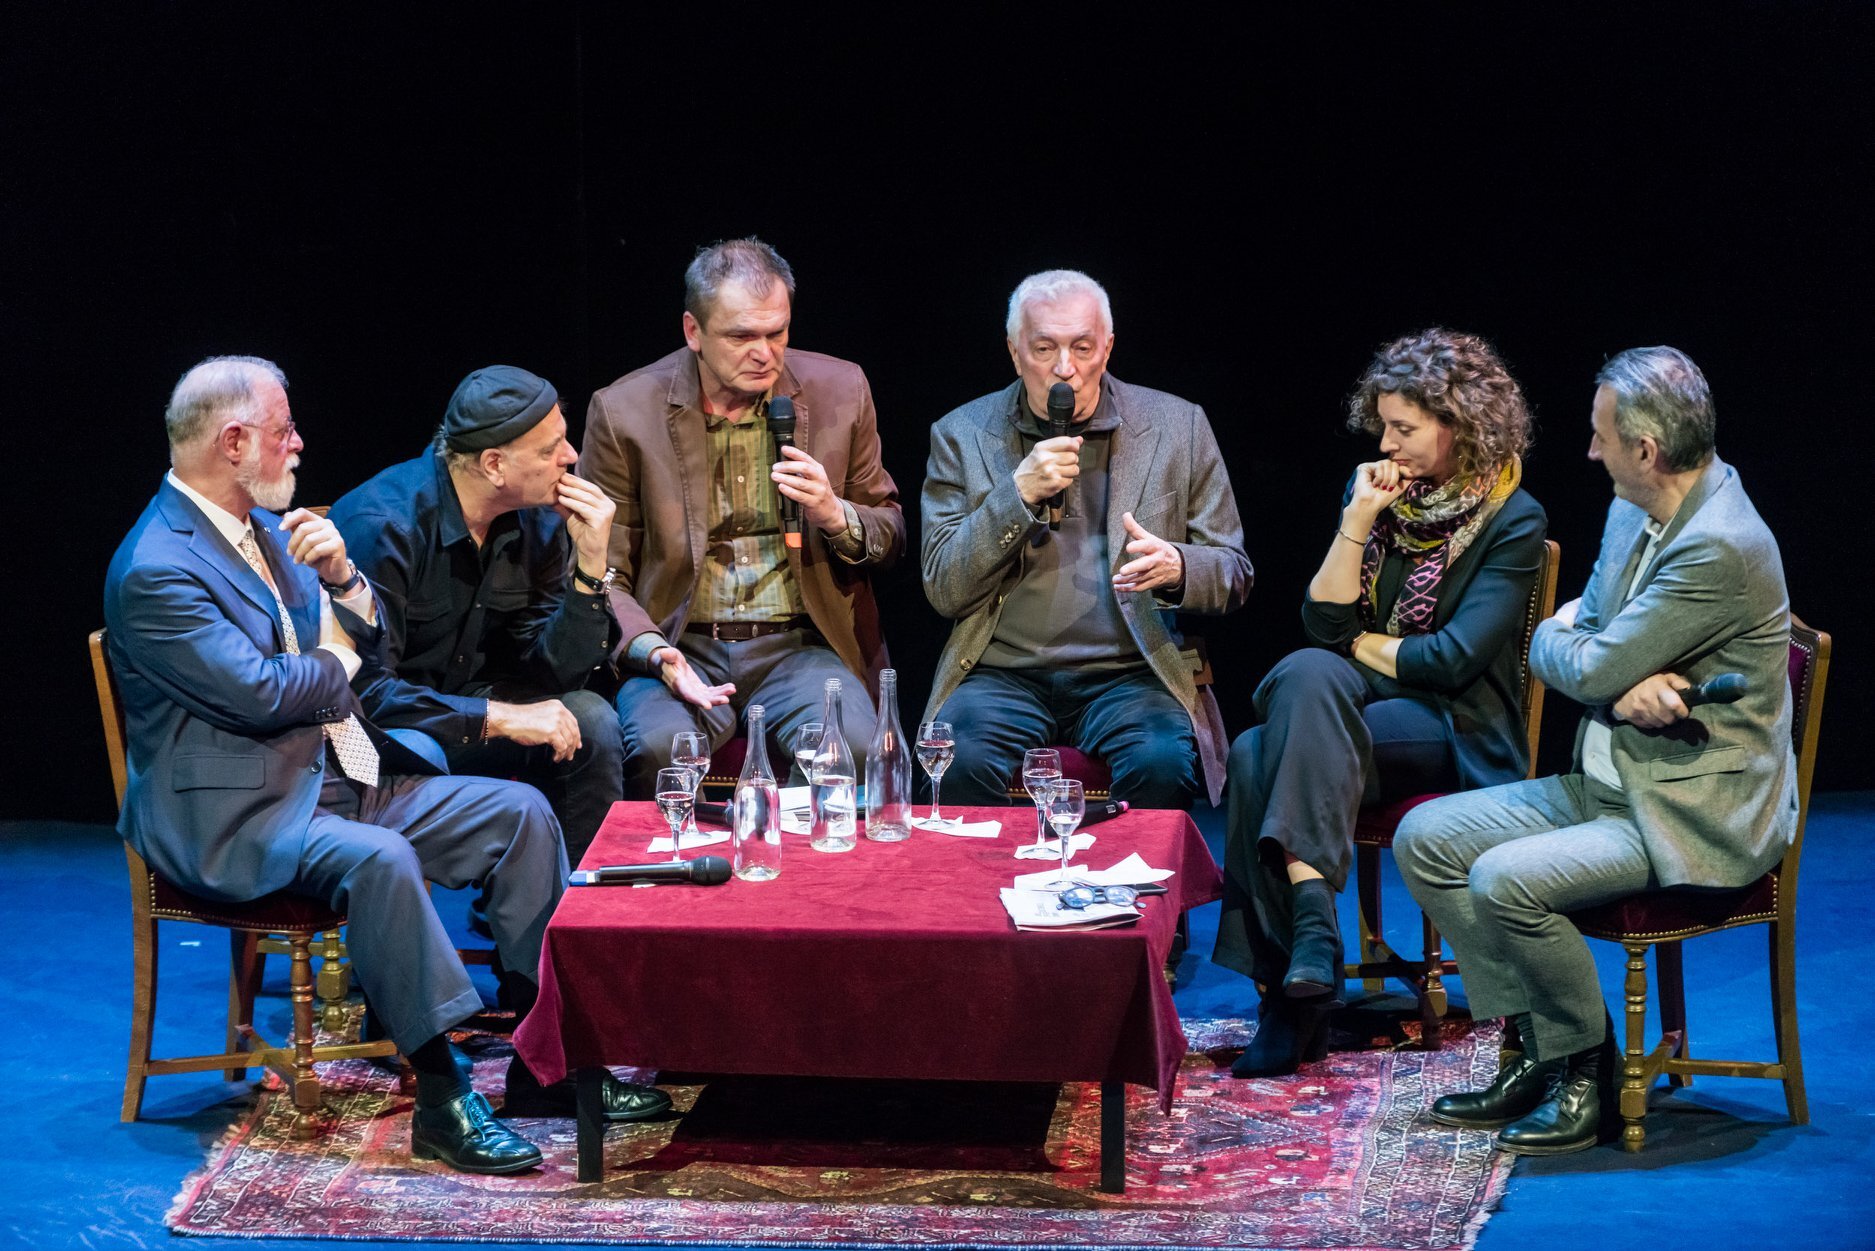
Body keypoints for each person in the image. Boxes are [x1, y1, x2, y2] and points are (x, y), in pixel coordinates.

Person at [104, 357, 670, 1176]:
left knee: (517, 816)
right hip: (236, 813)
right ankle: (443, 1097)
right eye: (282, 430)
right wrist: (336, 652)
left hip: (335, 777)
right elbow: (268, 693)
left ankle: (545, 1058)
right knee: (381, 859)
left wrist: (342, 582)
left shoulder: (264, 529)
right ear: (232, 442)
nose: (298, 445)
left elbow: (368, 637)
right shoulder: (158, 566)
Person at [1395, 346, 1797, 1155]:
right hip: (1611, 773)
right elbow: (1589, 651)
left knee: (1504, 877)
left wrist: (1586, 656)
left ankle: (1586, 1069)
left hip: (1685, 806)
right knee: (1425, 839)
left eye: (1599, 435)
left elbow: (1589, 658)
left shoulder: (1717, 544)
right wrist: (1595, 662)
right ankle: (1537, 1048)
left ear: (1645, 449)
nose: (1588, 450)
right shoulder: (1633, 506)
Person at [1211, 329, 1546, 1077]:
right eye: (1383, 426)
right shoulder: (1376, 496)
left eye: (1404, 428)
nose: (1385, 443)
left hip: (1453, 724)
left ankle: (1292, 993)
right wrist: (1356, 522)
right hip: (1351, 709)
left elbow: (1452, 658)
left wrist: (1358, 646)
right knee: (1285, 697)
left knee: (1261, 743)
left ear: (1458, 423)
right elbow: (1320, 622)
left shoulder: (1512, 518)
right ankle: (1308, 951)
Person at [921, 269, 1251, 810]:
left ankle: (1133, 895)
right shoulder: (962, 433)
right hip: (1002, 673)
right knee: (955, 762)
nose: (1065, 368)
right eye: (1044, 347)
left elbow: (1234, 572)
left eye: (1082, 347)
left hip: (1129, 675)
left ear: (1108, 348)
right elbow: (943, 587)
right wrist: (1017, 495)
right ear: (1014, 351)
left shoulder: (1178, 426)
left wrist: (1179, 567)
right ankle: (989, 894)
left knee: (1162, 763)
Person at [581, 238, 903, 790]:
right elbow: (603, 572)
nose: (765, 353)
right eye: (741, 337)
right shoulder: (624, 412)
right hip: (683, 643)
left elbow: (889, 532)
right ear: (693, 332)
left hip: (799, 648)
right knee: (659, 750)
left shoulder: (840, 390)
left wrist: (834, 513)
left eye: (776, 332)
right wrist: (657, 654)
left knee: (850, 745)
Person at [329, 365, 623, 867]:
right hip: (388, 729)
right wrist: (498, 719)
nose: (571, 457)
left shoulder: (536, 520)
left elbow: (552, 670)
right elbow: (365, 692)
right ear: (493, 464)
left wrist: (591, 569)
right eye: (551, 448)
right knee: (421, 745)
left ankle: (572, 916)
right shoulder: (385, 527)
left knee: (589, 719)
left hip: (475, 710)